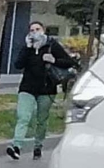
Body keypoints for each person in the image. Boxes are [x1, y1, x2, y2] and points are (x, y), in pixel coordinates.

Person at [7, 22, 78, 159]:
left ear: (43, 30)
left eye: (37, 29)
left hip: (47, 88)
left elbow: (69, 62)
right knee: (23, 117)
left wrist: (54, 60)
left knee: (42, 120)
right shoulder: (27, 46)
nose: (35, 32)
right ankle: (16, 146)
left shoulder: (52, 45)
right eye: (32, 30)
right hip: (27, 88)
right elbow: (18, 65)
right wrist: (27, 49)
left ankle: (38, 146)